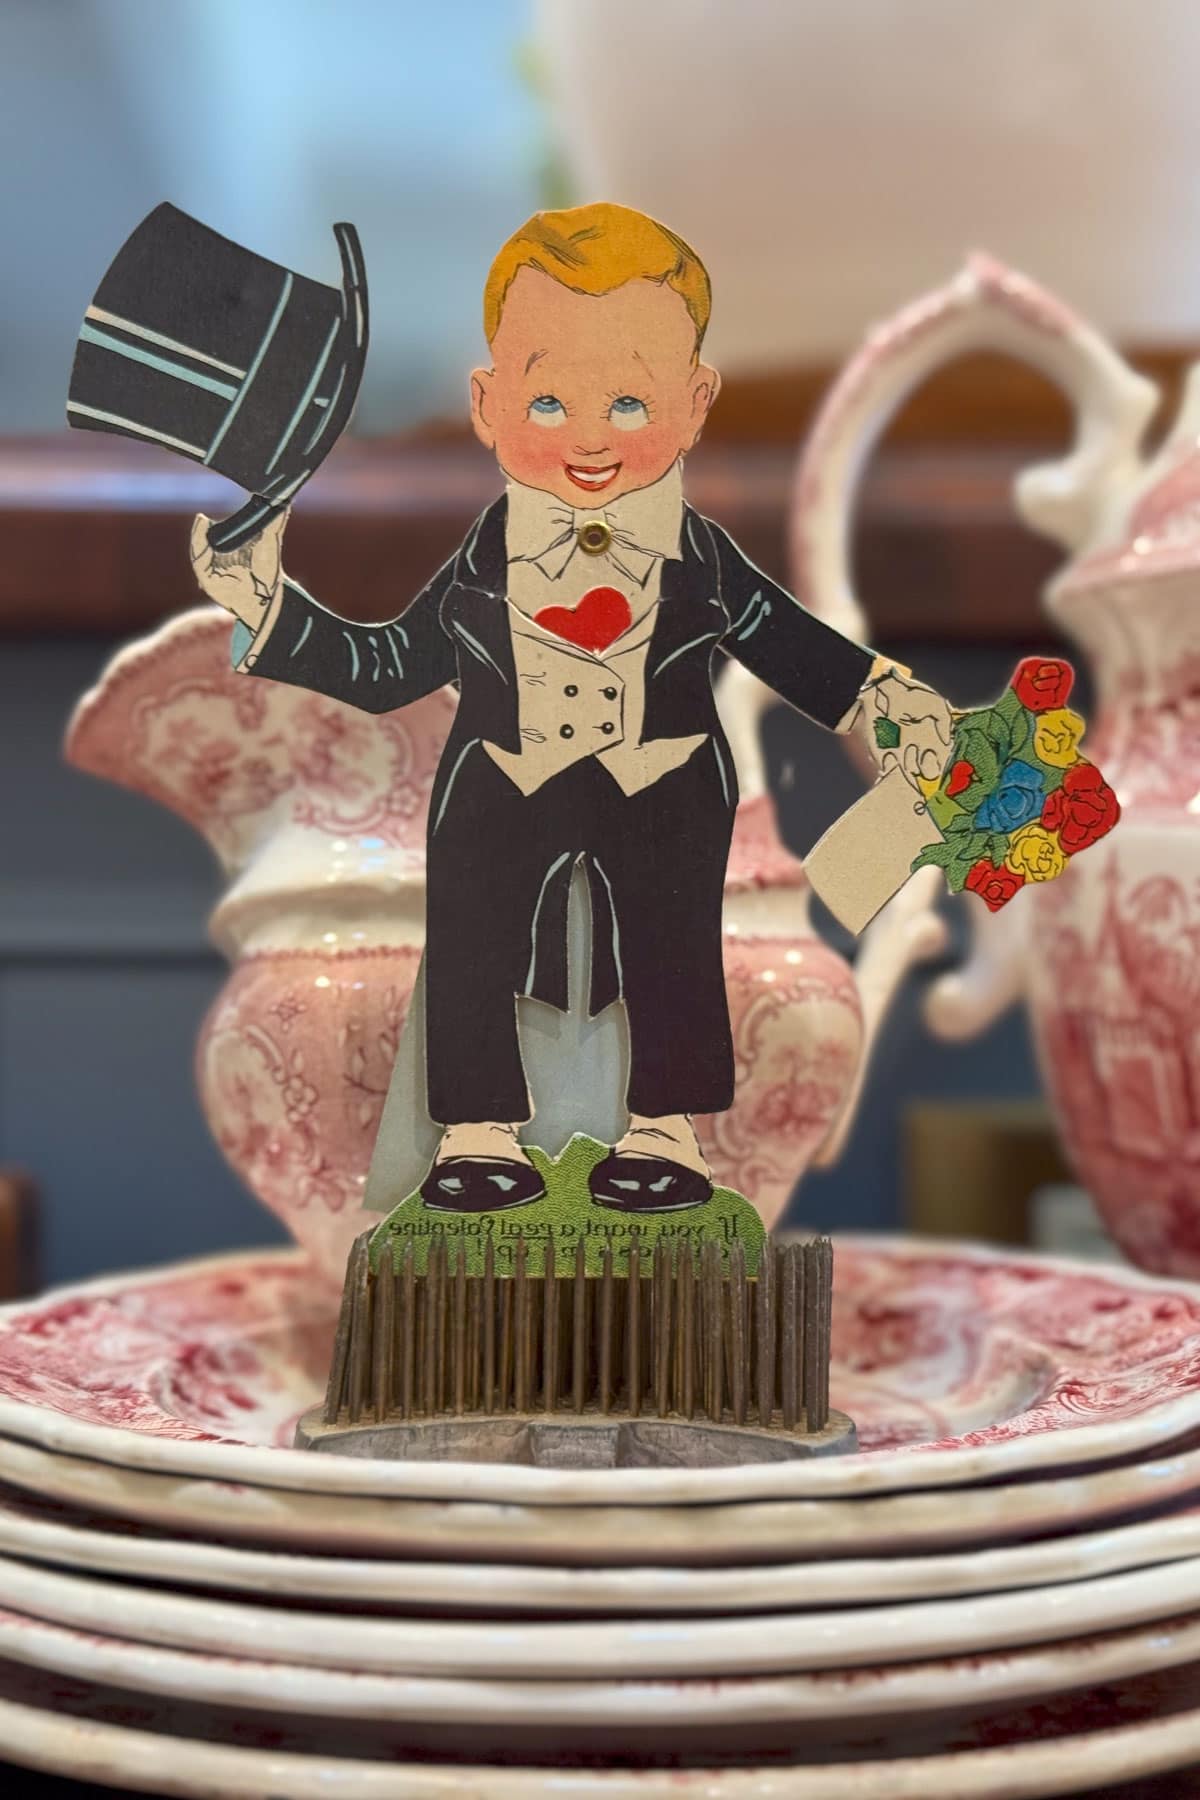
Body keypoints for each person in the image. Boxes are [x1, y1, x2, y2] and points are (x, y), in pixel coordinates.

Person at [192, 202, 949, 1215]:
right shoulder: (480, 560)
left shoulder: (704, 561)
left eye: (630, 405)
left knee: (674, 947)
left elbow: (789, 642)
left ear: (695, 403)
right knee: (476, 939)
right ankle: (476, 1132)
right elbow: (387, 667)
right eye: (549, 403)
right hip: (501, 779)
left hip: (665, 779)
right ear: (487, 404)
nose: (589, 438)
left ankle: (665, 1130)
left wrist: (881, 697)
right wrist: (270, 609)